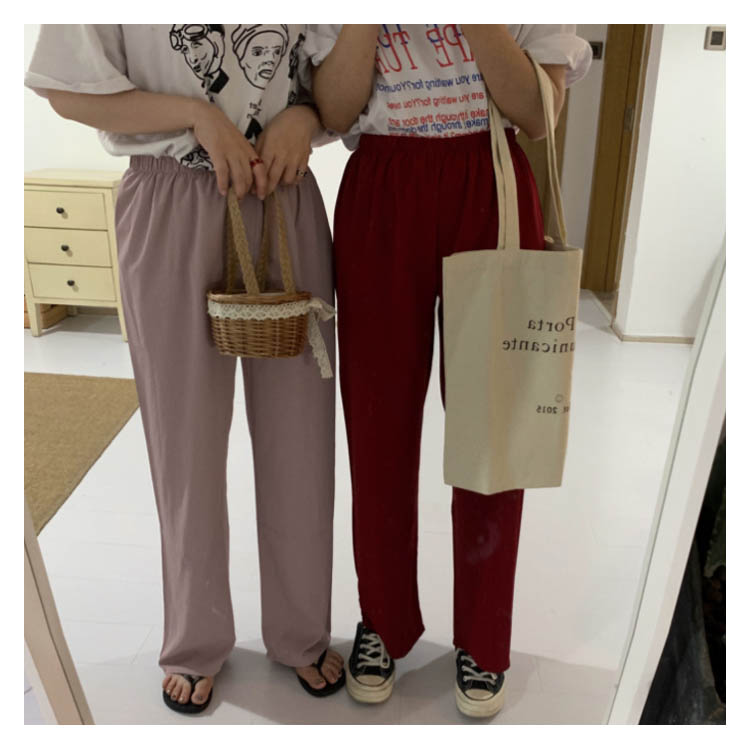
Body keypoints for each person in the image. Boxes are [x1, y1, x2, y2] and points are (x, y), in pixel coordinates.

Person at [25, 23, 344, 715]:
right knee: (184, 446)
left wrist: (305, 116)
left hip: (283, 193)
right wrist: (196, 115)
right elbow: (64, 86)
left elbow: (338, 83)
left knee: (301, 441)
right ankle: (195, 638)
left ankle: (300, 630)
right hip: (168, 197)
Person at [307, 24, 592, 718]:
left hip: (489, 180)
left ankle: (484, 637)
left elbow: (538, 113)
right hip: (382, 182)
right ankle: (383, 619)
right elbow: (335, 112)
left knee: (493, 429)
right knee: (376, 426)